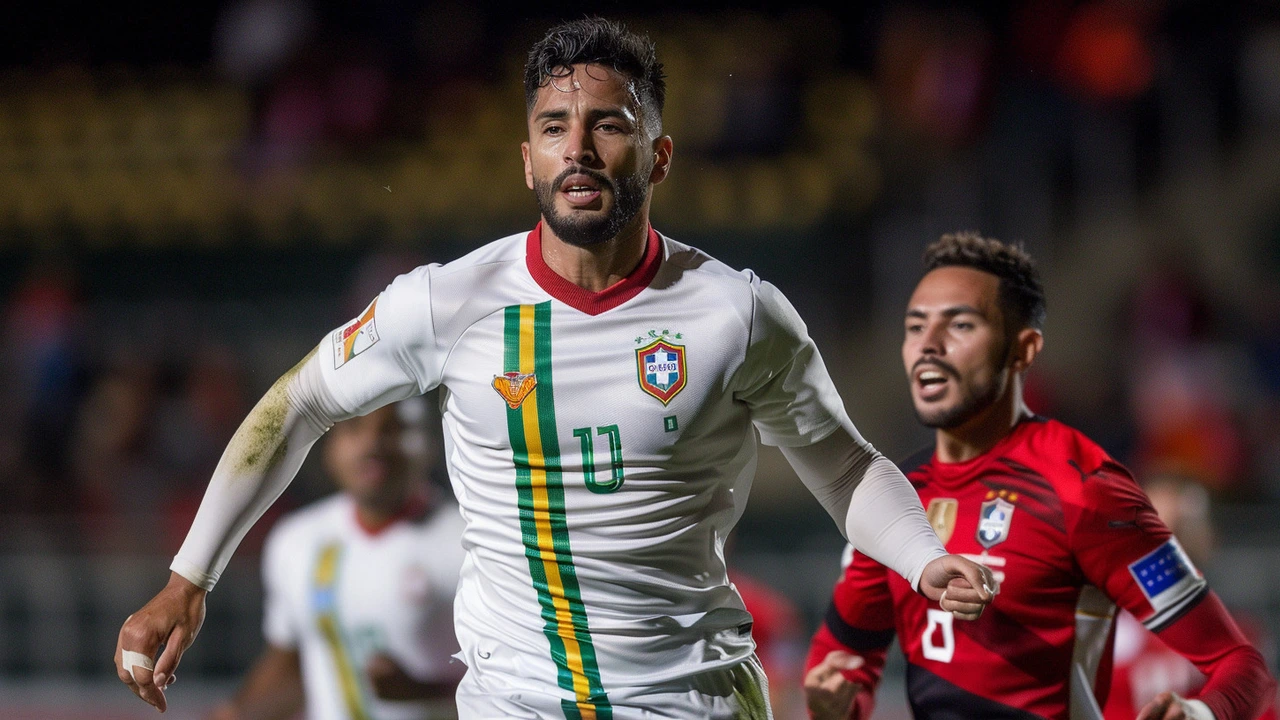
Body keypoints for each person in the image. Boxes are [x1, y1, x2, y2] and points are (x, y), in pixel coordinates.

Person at [114, 18, 997, 719]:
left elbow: (843, 465)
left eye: (607, 124)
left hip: (688, 699)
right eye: (553, 127)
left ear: (658, 155)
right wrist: (189, 578)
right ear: (528, 158)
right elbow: (297, 403)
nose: (577, 145)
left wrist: (922, 558)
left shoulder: (737, 312)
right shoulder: (446, 303)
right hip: (513, 702)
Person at [803, 233, 1276, 720]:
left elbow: (1241, 664)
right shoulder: (894, 497)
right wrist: (834, 703)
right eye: (915, 326)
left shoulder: (1087, 488)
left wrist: (1203, 713)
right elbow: (843, 666)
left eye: (960, 324)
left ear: (1022, 349)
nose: (929, 345)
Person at [206, 400, 465, 720]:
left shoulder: (470, 543)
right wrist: (233, 713)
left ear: (430, 443)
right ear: (330, 446)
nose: (372, 444)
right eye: (354, 428)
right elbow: (292, 666)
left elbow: (520, 681)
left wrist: (424, 692)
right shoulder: (297, 540)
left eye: (393, 429)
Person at [1103, 473, 1278, 720]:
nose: (1171, 542)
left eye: (1182, 527)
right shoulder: (1101, 627)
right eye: (1155, 524)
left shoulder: (1242, 637)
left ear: (1210, 537)